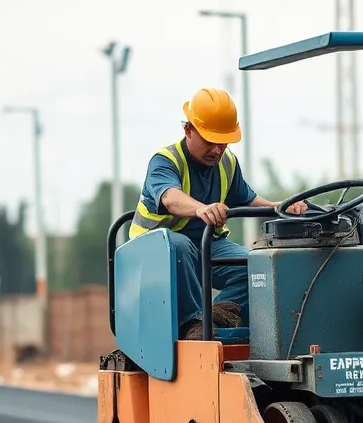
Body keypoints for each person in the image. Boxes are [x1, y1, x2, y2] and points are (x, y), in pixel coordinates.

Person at [129, 87, 307, 340]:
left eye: (223, 141)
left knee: (256, 267)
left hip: (204, 245)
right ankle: (192, 324)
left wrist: (281, 206)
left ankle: (205, 321)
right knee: (178, 246)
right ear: (188, 130)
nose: (217, 149)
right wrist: (201, 208)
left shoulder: (227, 163)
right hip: (154, 251)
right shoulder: (165, 161)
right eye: (210, 140)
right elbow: (170, 198)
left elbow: (248, 199)